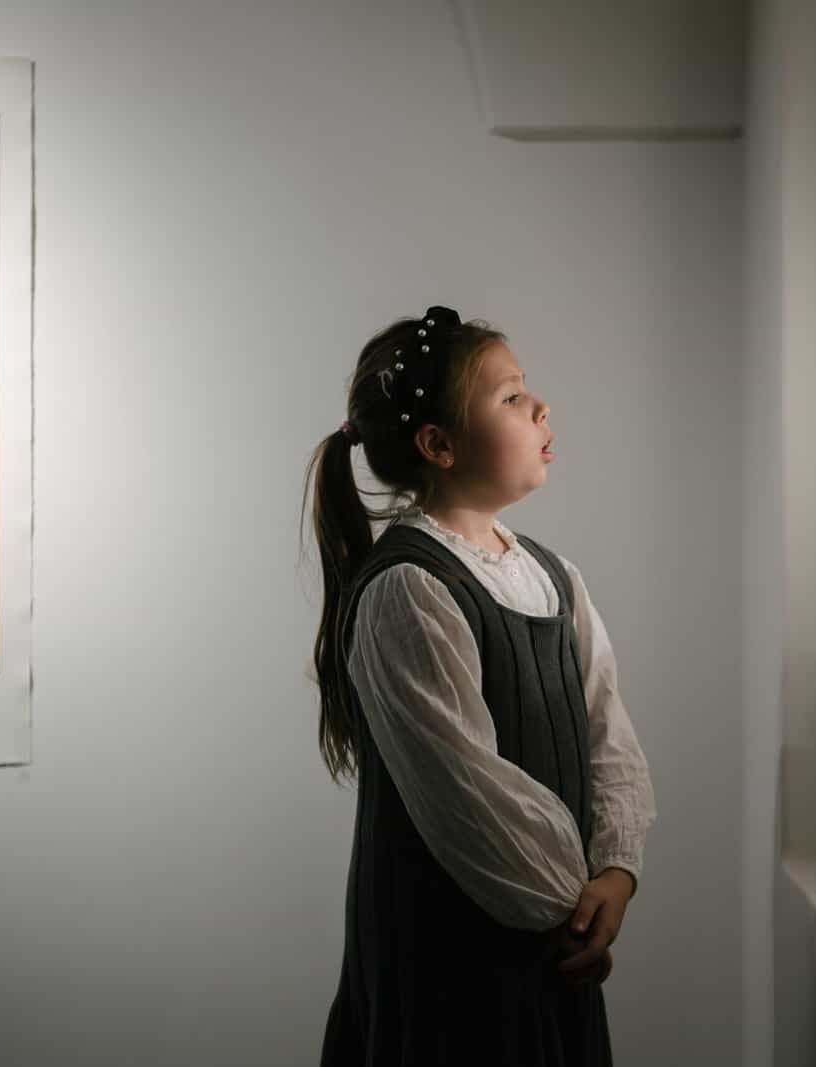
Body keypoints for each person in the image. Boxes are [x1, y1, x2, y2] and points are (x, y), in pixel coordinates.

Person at [302, 305, 657, 1065]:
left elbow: (609, 736)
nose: (541, 406)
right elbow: (468, 793)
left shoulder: (555, 577)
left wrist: (616, 871)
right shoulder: (409, 590)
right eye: (511, 396)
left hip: (555, 950)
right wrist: (572, 904)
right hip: (450, 970)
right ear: (438, 444)